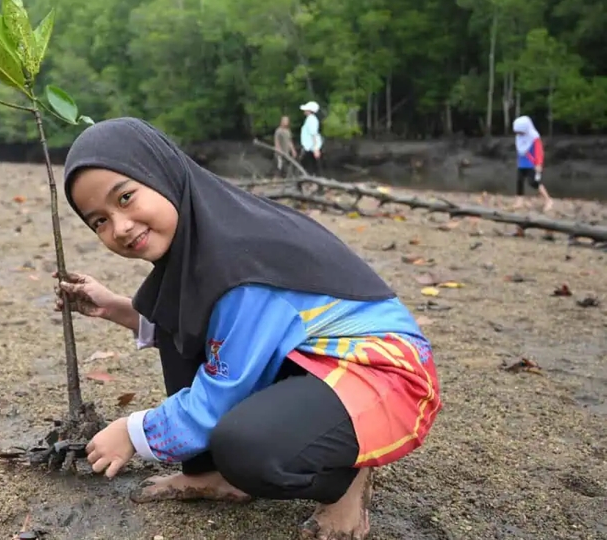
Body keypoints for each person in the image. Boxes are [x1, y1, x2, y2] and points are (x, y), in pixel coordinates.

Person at [56, 117, 441, 540]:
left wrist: (132, 432)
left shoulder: (237, 261)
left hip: (380, 371)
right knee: (173, 318)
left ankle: (344, 477)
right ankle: (212, 474)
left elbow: (223, 393)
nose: (120, 227)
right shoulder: (200, 238)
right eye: (99, 222)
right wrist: (116, 308)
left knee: (248, 448)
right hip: (307, 357)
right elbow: (194, 325)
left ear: (162, 174)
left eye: (126, 198)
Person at [512, 116, 553, 213]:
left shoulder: (534, 137)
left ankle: (548, 200)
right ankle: (519, 201)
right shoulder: (519, 137)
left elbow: (539, 151)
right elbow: (520, 149)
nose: (518, 133)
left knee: (533, 182)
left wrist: (539, 164)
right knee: (519, 181)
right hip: (522, 163)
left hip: (531, 163)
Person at [299, 101, 324, 175]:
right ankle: (314, 181)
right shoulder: (310, 119)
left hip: (311, 147)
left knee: (312, 166)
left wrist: (316, 149)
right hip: (309, 147)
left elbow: (313, 134)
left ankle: (317, 182)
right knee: (311, 166)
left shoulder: (311, 120)